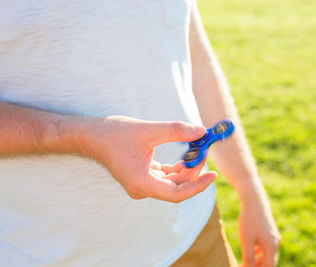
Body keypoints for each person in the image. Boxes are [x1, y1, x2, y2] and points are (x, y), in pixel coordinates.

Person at [0, 1, 281, 266]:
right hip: (45, 255)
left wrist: (249, 189)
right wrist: (80, 136)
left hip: (194, 232)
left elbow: (195, 59)